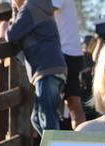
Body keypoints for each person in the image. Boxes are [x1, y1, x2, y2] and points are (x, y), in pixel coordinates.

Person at [6, 0, 67, 136]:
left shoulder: (30, 7)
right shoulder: (39, 5)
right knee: (37, 119)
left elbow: (12, 35)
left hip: (46, 69)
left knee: (47, 119)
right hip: (54, 67)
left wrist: (10, 23)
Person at [52, 0, 86, 129]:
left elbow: (43, 13)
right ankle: (80, 141)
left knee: (50, 104)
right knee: (73, 103)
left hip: (64, 53)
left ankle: (78, 141)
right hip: (70, 52)